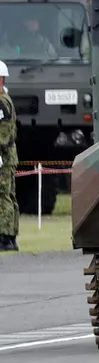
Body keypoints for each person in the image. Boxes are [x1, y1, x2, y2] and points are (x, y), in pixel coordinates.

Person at [0, 60, 15, 252]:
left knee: (3, 197)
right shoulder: (6, 100)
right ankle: (10, 237)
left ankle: (5, 237)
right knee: (9, 196)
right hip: (8, 155)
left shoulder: (2, 103)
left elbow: (3, 134)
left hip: (3, 156)